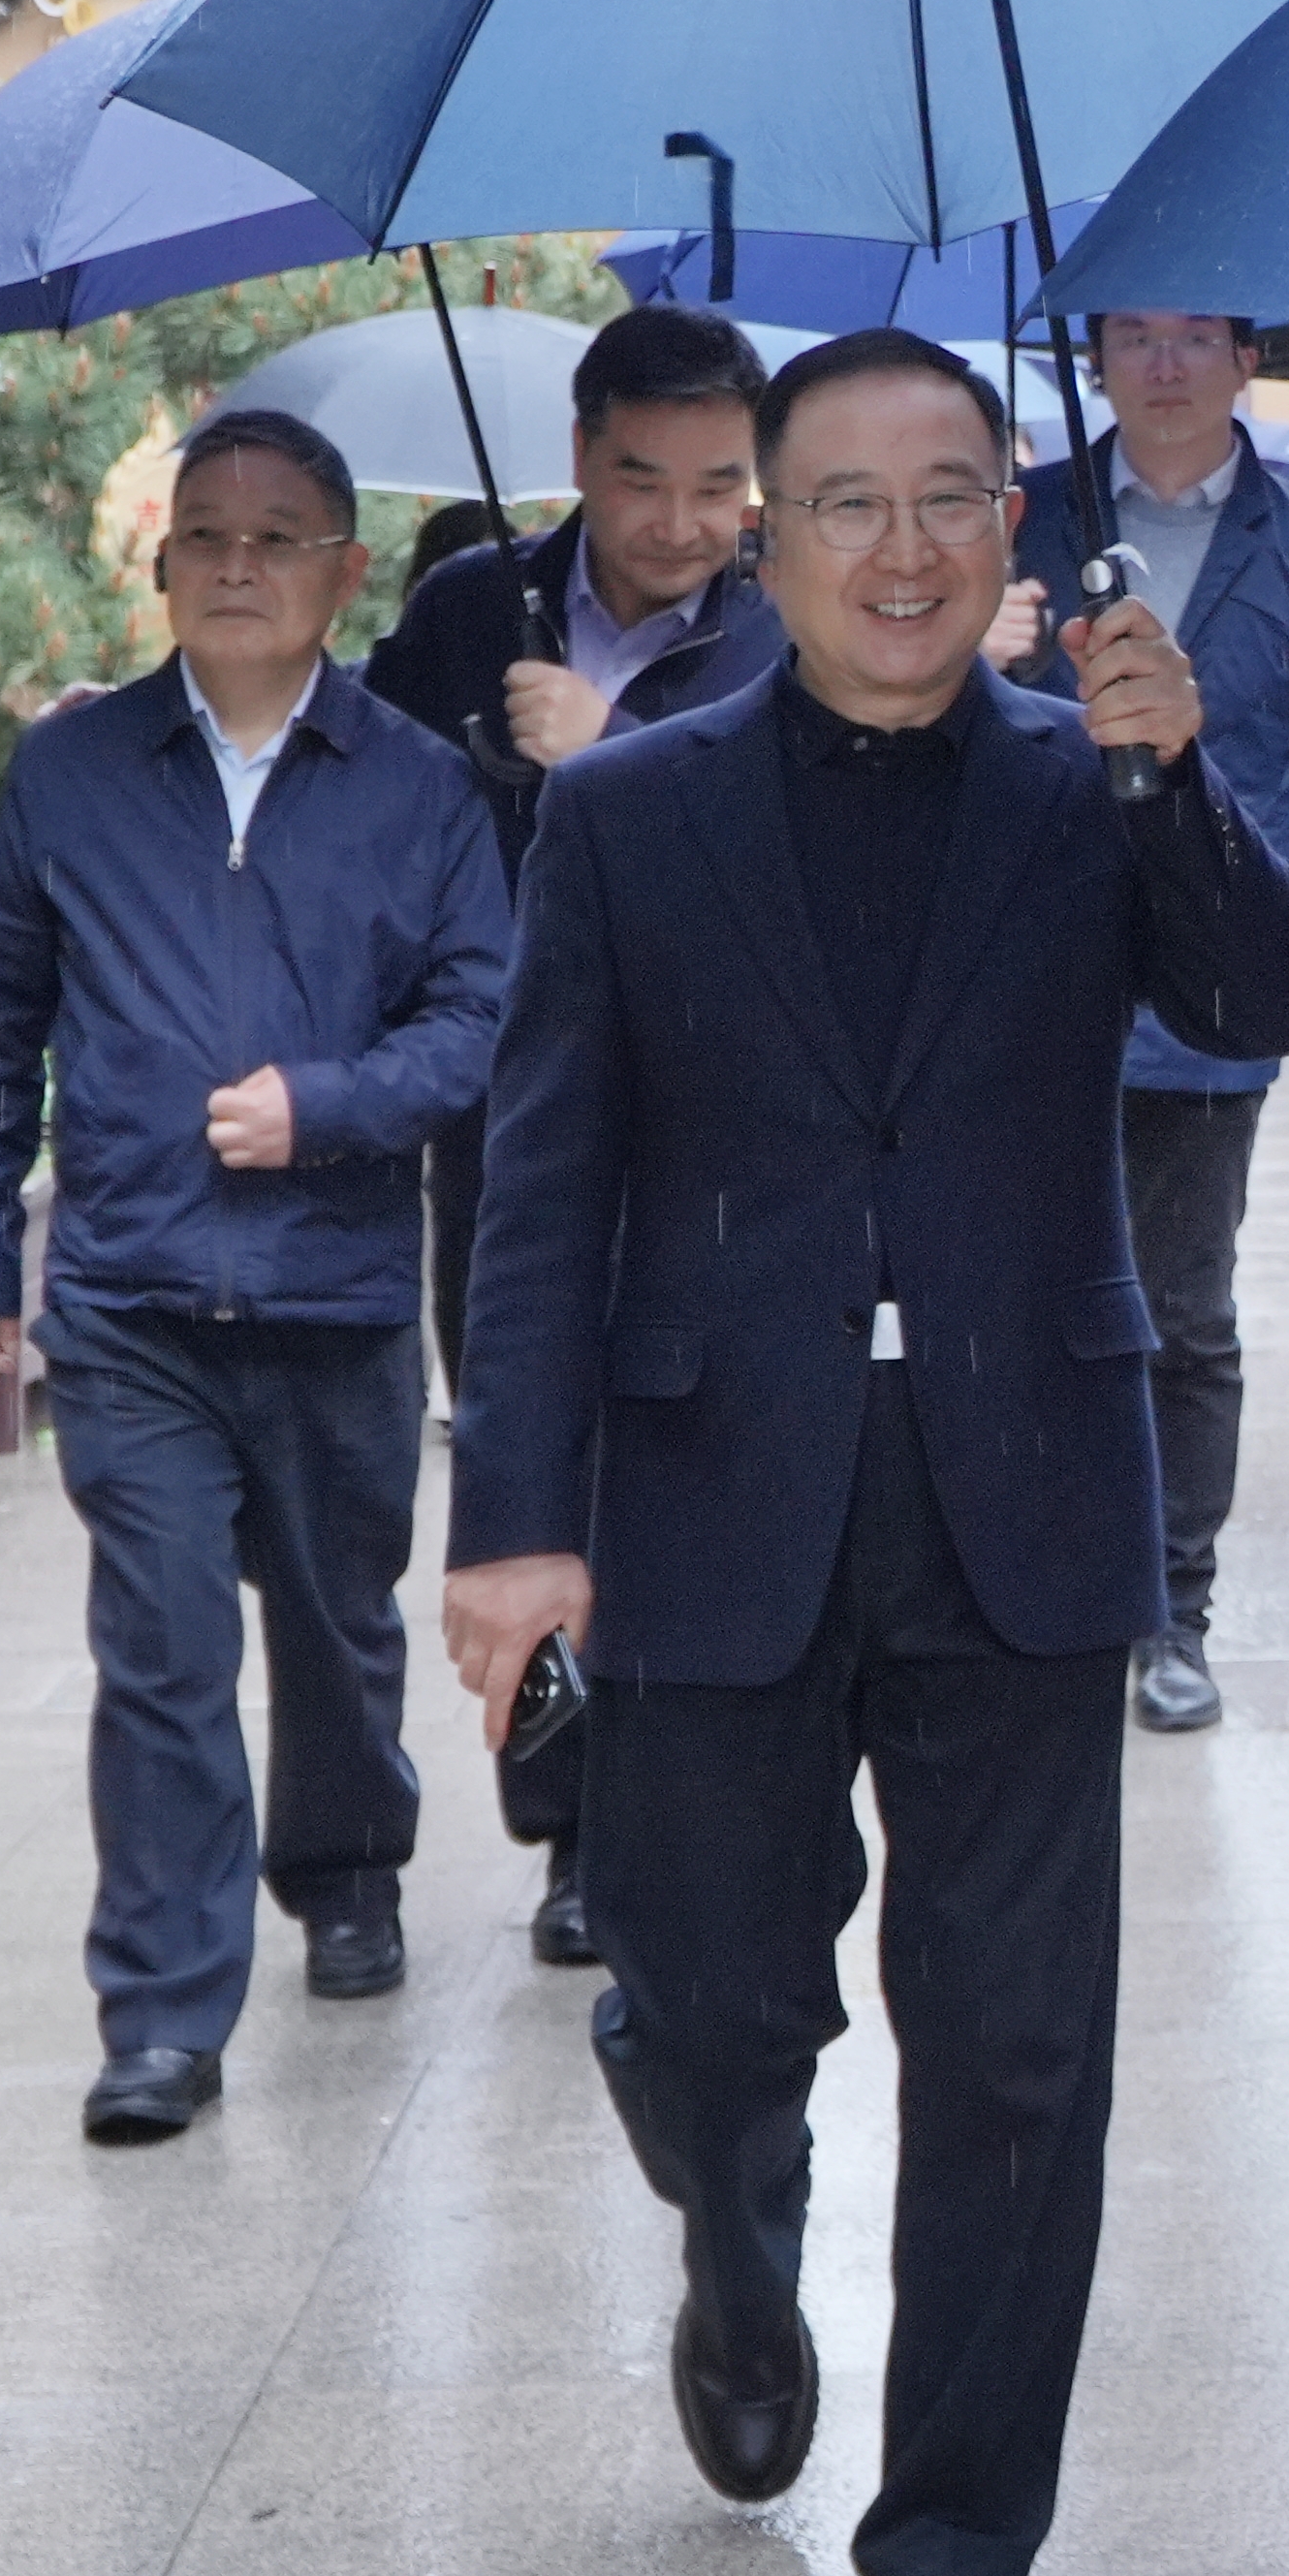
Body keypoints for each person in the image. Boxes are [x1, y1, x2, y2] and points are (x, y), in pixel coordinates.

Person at [438, 326, 1289, 2576]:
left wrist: (1179, 777)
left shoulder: (1092, 775)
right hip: (710, 1485)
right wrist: (513, 1522)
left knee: (1020, 2045)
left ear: (1011, 524)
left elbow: (1267, 999)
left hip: (1024, 1483)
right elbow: (542, 1186)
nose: (903, 548)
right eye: (848, 501)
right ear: (766, 530)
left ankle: (951, 2554)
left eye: (951, 497)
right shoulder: (630, 812)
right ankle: (736, 2241)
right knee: (721, 2004)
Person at [0, 407, 511, 2147]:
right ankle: (164, 2015)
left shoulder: (418, 784)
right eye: (207, 534)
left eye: (278, 538)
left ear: (346, 572)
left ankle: (346, 1866)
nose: (238, 564)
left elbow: (480, 1017)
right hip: (134, 1297)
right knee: (163, 1649)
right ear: (164, 560)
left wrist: (324, 1109)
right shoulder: (74, 772)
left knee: (337, 1625)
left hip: (337, 1293)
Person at [361, 300, 793, 1969]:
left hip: (716, 1115)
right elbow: (372, 820)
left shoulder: (784, 628)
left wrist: (616, 760)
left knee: (684, 1468)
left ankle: (680, 1803)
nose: (681, 524)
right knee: (530, 1451)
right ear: (578, 458)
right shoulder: (472, 611)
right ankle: (571, 1830)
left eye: (717, 486)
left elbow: (800, 857)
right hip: (508, 1119)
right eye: (641, 480)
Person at [1010, 309, 1289, 1734]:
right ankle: (1038, 1586)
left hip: (1200, 1005)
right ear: (1095, 360)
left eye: (1195, 338)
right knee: (1019, 1303)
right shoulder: (1020, 518)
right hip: (1020, 979)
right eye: (1133, 336)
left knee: (1180, 1311)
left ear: (1248, 362)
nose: (1163, 365)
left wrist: (1241, 868)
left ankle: (1173, 1608)